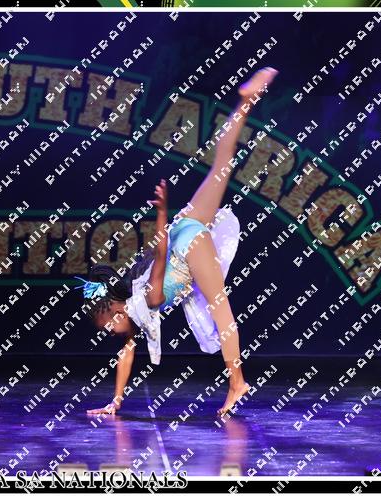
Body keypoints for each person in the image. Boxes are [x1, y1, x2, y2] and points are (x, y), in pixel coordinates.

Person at [73, 67, 279, 417]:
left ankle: (237, 382)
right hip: (185, 227)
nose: (109, 332)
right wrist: (115, 402)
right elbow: (126, 353)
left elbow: (160, 256)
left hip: (185, 245)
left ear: (117, 309)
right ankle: (246, 102)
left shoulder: (146, 299)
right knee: (221, 164)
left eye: (108, 325)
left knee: (222, 312)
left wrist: (162, 214)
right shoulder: (134, 305)